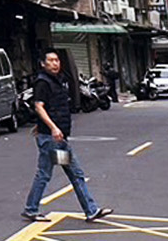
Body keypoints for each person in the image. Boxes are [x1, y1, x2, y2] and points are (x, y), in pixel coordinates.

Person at [22, 49, 111, 223]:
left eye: (57, 60)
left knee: (72, 174)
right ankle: (32, 209)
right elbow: (39, 106)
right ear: (43, 64)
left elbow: (51, 107)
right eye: (51, 60)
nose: (55, 63)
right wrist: (52, 128)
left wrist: (43, 126)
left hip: (57, 139)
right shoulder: (43, 82)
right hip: (51, 140)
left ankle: (90, 210)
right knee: (50, 174)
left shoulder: (56, 81)